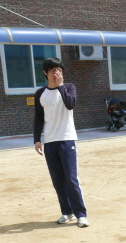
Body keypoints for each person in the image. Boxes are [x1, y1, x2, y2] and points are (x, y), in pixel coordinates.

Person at [33, 57, 89, 228]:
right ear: (45, 72)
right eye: (52, 70)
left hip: (67, 139)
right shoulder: (40, 93)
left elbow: (70, 104)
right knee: (58, 180)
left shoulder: (69, 87)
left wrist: (61, 85)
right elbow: (39, 117)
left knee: (71, 179)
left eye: (59, 69)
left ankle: (81, 214)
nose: (56, 73)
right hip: (50, 142)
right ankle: (67, 212)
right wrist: (37, 139)